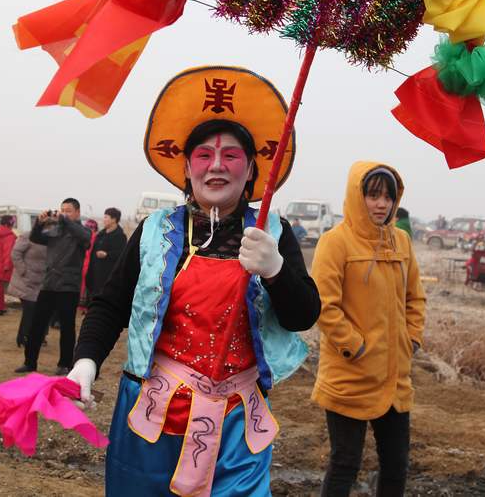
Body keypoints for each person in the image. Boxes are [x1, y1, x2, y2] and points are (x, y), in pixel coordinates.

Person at [69, 66, 321, 496]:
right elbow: (111, 305)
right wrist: (84, 363)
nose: (217, 166)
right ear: (187, 168)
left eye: (231, 156)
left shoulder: (273, 234)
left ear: (251, 170)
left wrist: (276, 270)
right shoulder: (154, 231)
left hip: (238, 425)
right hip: (151, 415)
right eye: (204, 155)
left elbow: (302, 316)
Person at [311, 162, 427, 497]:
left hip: (394, 378)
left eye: (388, 196)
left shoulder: (402, 242)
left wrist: (412, 339)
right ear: (357, 195)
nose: (381, 204)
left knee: (396, 464)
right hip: (350, 375)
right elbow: (324, 305)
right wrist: (356, 346)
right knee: (345, 462)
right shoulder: (336, 243)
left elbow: (415, 297)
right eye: (373, 195)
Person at [15, 199, 91, 375]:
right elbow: (36, 238)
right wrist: (39, 222)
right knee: (37, 324)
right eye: (62, 210)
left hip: (68, 286)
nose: (64, 213)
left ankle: (65, 363)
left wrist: (64, 220)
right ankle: (30, 362)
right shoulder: (55, 228)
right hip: (49, 284)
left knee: (67, 327)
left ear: (77, 213)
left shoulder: (82, 231)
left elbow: (85, 238)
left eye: (68, 211)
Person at [10, 232, 46, 348]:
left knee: (36, 310)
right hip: (25, 280)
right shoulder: (28, 236)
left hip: (40, 282)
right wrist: (23, 270)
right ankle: (24, 337)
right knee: (30, 309)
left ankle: (30, 337)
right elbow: (15, 253)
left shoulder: (52, 239)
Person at [83, 207, 127, 304]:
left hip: (108, 278)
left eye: (106, 217)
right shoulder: (100, 235)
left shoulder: (120, 237)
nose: (104, 219)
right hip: (94, 276)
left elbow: (121, 255)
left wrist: (107, 255)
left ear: (114, 219)